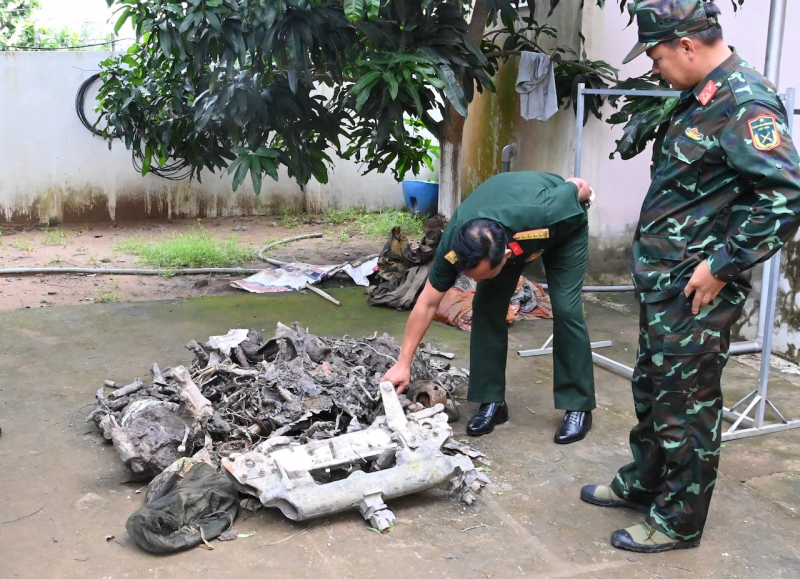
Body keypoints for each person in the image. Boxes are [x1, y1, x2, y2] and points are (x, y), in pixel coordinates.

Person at [580, 0, 800, 553]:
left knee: (687, 404)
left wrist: (721, 266)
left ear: (686, 45)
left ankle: (679, 519)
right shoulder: (700, 94)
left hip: (697, 288)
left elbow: (786, 195)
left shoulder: (745, 102)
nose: (654, 67)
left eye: (655, 55)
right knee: (654, 388)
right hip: (666, 283)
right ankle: (645, 480)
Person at [382, 170, 597, 443]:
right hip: (513, 238)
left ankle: (578, 406)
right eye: (471, 277)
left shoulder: (541, 208)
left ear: (505, 257)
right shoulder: (455, 247)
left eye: (481, 276)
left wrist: (586, 197)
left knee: (567, 309)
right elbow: (426, 303)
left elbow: (579, 186)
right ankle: (492, 403)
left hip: (563, 229)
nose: (474, 282)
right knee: (485, 307)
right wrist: (404, 363)